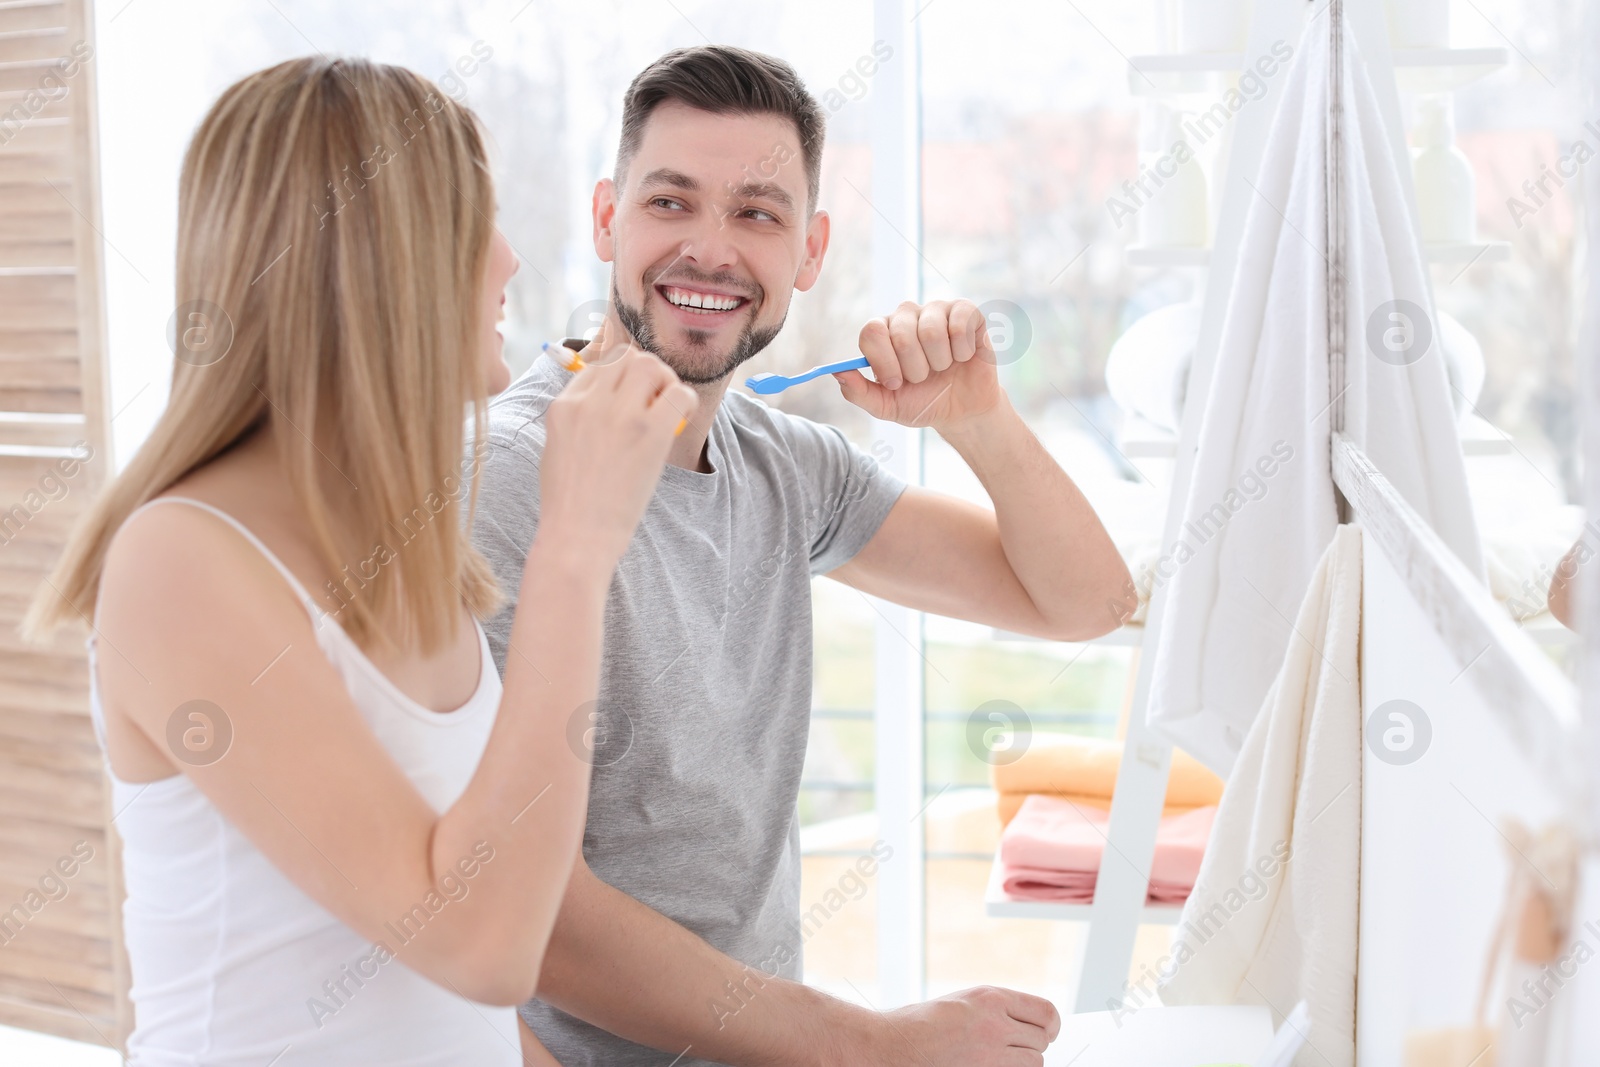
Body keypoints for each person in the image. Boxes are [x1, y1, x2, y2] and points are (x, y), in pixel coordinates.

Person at [473, 45, 1136, 1066]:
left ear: (810, 251)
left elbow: (1086, 601)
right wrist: (870, 1041)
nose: (708, 249)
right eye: (670, 203)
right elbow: (518, 906)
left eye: (756, 213)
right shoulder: (511, 479)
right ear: (607, 217)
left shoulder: (784, 465)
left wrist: (980, 418)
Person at [22, 57, 693, 1065]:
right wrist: (577, 544)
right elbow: (480, 943)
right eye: (478, 222)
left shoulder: (410, 551)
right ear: (380, 259)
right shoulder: (180, 561)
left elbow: (452, 1001)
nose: (508, 259)